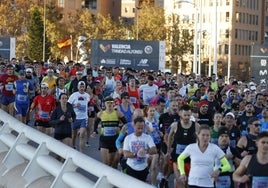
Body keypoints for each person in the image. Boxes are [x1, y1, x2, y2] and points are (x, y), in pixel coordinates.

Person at [167, 104, 197, 188]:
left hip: (190, 159)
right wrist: (169, 150)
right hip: (177, 157)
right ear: (180, 114)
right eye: (185, 115)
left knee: (188, 182)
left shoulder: (196, 126)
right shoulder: (175, 125)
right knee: (180, 180)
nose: (187, 117)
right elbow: (169, 136)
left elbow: (200, 139)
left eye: (188, 115)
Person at [94, 96, 126, 168]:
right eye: (107, 103)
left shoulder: (118, 113)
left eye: (111, 103)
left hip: (114, 139)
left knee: (112, 164)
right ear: (105, 104)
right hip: (104, 140)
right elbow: (96, 122)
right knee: (106, 164)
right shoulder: (101, 113)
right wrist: (94, 131)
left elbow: (126, 124)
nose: (109, 104)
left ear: (113, 104)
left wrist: (120, 129)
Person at [123, 116, 157, 182]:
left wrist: (146, 151)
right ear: (134, 126)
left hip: (143, 168)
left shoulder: (147, 137)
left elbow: (154, 150)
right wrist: (136, 154)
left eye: (142, 128)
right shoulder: (128, 138)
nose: (140, 130)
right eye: (138, 128)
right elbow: (126, 154)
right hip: (131, 168)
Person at [68, 81, 90, 152]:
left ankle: (81, 153)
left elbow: (87, 104)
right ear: (77, 87)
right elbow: (68, 105)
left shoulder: (87, 95)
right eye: (80, 86)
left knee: (82, 135)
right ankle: (73, 147)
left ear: (85, 87)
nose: (82, 88)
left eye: (83, 86)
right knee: (73, 136)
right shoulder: (74, 95)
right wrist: (75, 105)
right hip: (75, 118)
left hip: (84, 118)